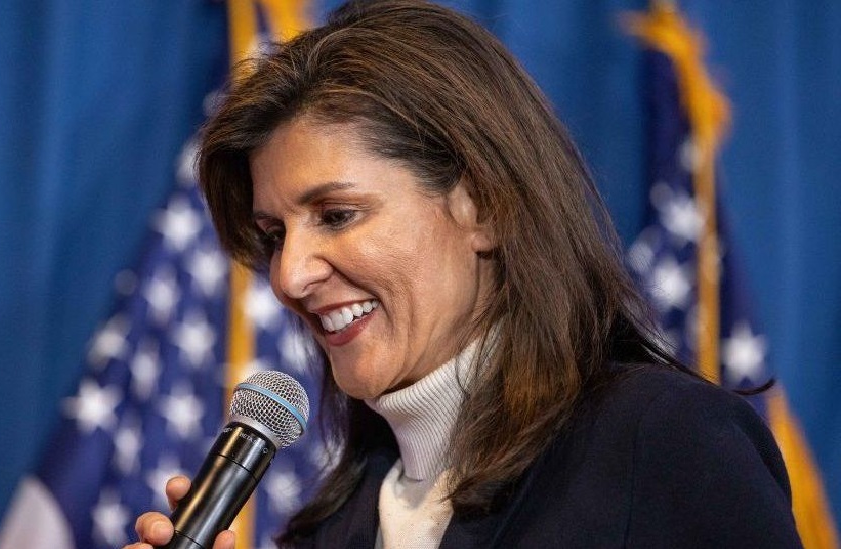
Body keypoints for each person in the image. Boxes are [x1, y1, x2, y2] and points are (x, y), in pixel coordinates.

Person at [126, 1, 802, 548]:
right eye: (275, 235)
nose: (289, 276)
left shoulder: (662, 444)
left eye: (336, 215)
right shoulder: (331, 528)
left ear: (484, 203)